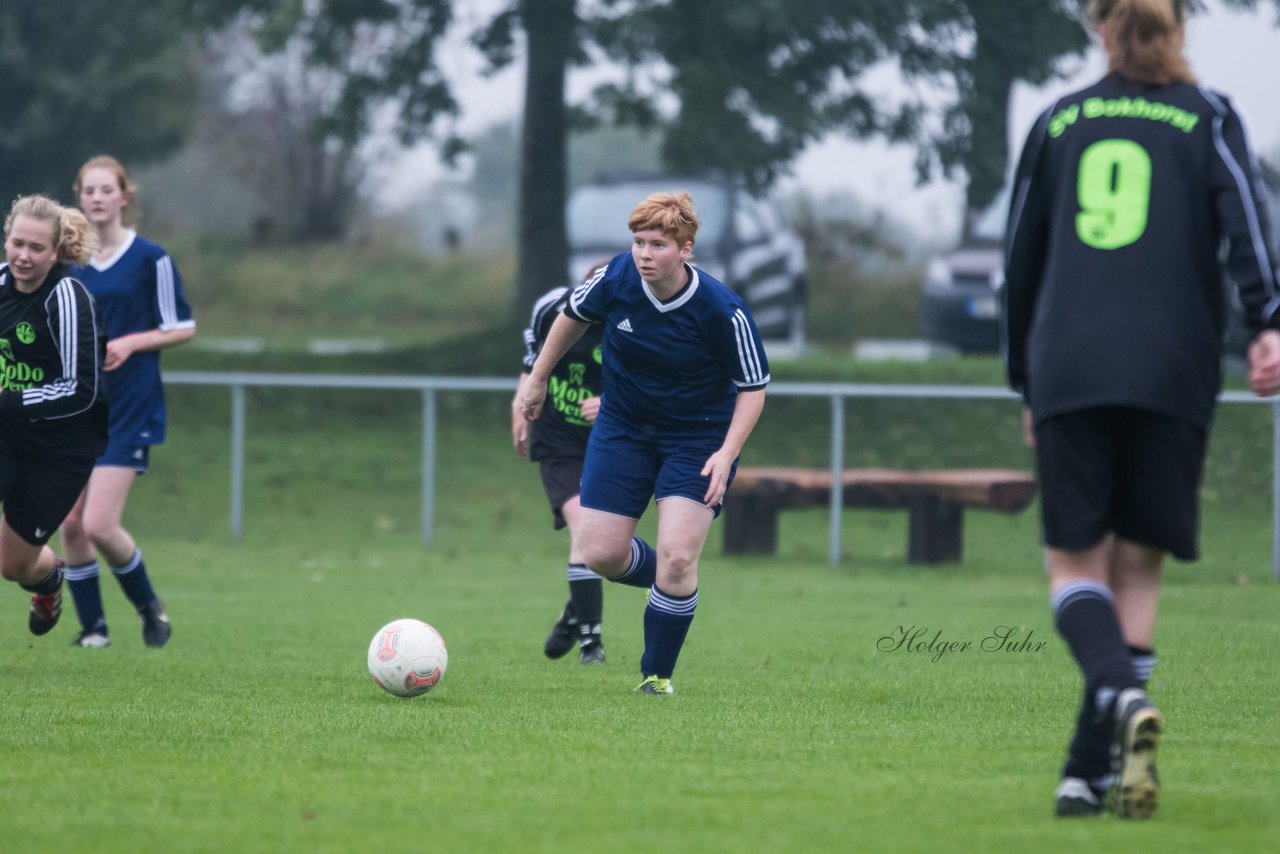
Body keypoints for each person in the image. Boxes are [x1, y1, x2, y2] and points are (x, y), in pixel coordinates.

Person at [1002, 0, 1280, 820]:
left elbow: (1021, 259)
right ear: (1178, 31)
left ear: (1101, 32)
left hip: (1072, 368)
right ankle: (1088, 773)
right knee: (1137, 569)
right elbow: (1249, 227)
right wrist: (1269, 321)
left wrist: (1026, 376)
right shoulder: (1208, 117)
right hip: (1172, 373)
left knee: (1074, 567)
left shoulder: (1059, 121)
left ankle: (1116, 704)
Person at [519, 191, 770, 695]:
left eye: (658, 244)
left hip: (697, 437)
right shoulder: (616, 277)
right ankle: (676, 583)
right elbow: (571, 313)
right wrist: (538, 378)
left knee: (678, 555)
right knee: (599, 555)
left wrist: (726, 452)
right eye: (638, 242)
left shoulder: (723, 310)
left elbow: (753, 388)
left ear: (686, 249)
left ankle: (656, 676)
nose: (645, 254)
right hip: (624, 429)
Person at [59, 155, 196, 649]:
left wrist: (131, 342)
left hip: (130, 407)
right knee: (71, 524)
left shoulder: (150, 259)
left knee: (98, 523)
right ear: (79, 199)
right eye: (87, 190)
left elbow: (182, 325)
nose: (96, 198)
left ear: (124, 197)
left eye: (105, 189)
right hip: (77, 409)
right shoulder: (69, 263)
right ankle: (94, 629)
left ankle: (149, 609)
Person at [0, 195, 109, 637]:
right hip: (6, 432)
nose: (24, 256)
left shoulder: (68, 298)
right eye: (16, 243)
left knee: (13, 564)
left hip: (60, 449)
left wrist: (6, 399)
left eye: (36, 248)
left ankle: (48, 580)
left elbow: (80, 390)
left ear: (56, 251)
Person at [512, 267, 608, 664]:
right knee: (585, 529)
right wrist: (519, 409)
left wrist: (610, 405)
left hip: (612, 444)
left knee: (603, 545)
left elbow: (650, 385)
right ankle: (591, 645)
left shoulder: (634, 323)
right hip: (557, 442)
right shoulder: (552, 309)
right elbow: (532, 364)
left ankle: (576, 609)